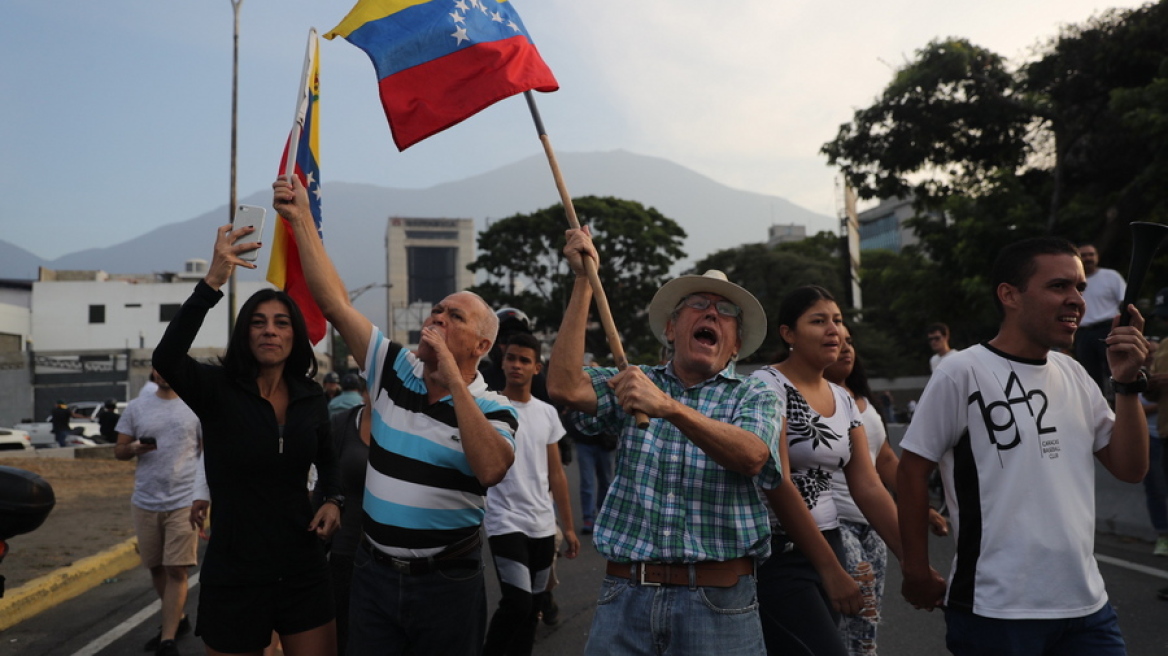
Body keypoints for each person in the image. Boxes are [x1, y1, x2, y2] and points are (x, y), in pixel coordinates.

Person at [273, 174, 518, 656]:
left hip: (447, 582)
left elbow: (490, 468)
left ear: (482, 346)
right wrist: (302, 220)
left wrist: (448, 372)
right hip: (374, 574)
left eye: (454, 317)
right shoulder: (394, 368)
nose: (437, 317)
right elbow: (335, 304)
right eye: (438, 310)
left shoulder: (495, 407)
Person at [898, 236, 1149, 655]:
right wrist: (915, 569)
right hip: (995, 610)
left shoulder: (1074, 373)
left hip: (1088, 607)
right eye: (1059, 287)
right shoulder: (962, 372)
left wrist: (1126, 385)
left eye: (1080, 288)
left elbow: (1130, 468)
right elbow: (911, 470)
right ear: (1009, 295)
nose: (1076, 300)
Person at [548, 225, 782, 655]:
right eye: (697, 305)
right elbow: (564, 385)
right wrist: (584, 280)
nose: (710, 313)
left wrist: (671, 408)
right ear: (672, 329)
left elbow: (752, 455)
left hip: (720, 604)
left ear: (735, 348)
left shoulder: (755, 393)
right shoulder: (635, 383)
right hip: (625, 597)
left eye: (725, 311)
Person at [152, 223, 343, 656]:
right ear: (245, 334)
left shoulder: (312, 397)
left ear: (294, 334)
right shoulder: (216, 390)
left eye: (280, 323)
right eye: (257, 323)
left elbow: (329, 463)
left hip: (303, 569)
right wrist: (214, 280)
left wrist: (333, 501)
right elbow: (166, 357)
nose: (269, 331)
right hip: (235, 573)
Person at [751, 286, 921, 656]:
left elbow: (869, 487)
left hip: (830, 544)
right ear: (788, 334)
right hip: (781, 554)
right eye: (819, 321)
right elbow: (776, 481)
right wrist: (829, 570)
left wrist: (913, 560)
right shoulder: (766, 387)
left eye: (838, 321)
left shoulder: (843, 399)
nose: (835, 331)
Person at [824, 326, 948, 656]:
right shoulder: (813, 399)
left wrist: (921, 509)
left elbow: (887, 460)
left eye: (850, 341)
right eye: (837, 342)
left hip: (874, 525)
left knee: (867, 618)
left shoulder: (863, 401)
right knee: (855, 605)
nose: (846, 348)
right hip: (836, 524)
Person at [483, 333, 581, 656]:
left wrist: (567, 527)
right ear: (502, 362)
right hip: (504, 521)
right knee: (517, 601)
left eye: (524, 360)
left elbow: (556, 474)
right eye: (511, 358)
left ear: (537, 368)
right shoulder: (488, 406)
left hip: (542, 524)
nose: (516, 365)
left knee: (533, 609)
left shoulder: (546, 412)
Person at [114, 369, 202, 656]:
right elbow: (119, 450)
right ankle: (179, 618)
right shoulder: (137, 407)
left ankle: (167, 639)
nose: (165, 373)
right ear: (153, 372)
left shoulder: (195, 406)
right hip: (145, 500)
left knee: (176, 568)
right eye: (159, 368)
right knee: (155, 567)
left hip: (183, 500)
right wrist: (134, 448)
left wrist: (204, 494)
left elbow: (205, 452)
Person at [319, 380, 371, 656]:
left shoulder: (414, 429)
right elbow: (324, 483)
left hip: (396, 559)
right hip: (345, 552)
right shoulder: (342, 423)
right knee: (344, 636)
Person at [1074, 242, 1126, 391]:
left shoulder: (1111, 276)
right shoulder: (1074, 281)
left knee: (1116, 370)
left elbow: (1125, 302)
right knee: (1089, 375)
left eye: (1091, 254)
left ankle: (1121, 405)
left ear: (1097, 256)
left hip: (1108, 329)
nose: (1088, 258)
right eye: (1084, 255)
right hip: (1083, 332)